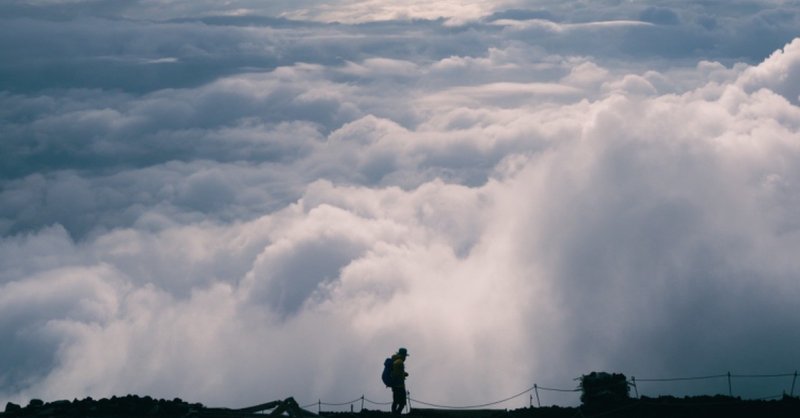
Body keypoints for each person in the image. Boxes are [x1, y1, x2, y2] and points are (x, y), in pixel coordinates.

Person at [390, 347, 409, 415]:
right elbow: (397, 374)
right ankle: (396, 414)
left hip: (395, 386)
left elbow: (396, 372)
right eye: (405, 356)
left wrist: (404, 374)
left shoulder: (395, 361)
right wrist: (403, 374)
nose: (405, 358)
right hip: (399, 386)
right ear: (403, 355)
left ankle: (394, 413)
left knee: (395, 401)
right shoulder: (400, 362)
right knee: (402, 403)